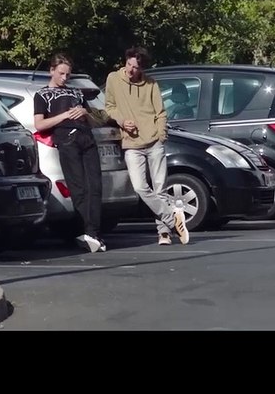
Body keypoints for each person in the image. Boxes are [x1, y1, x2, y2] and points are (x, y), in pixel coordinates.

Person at [103, 46, 188, 245]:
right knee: (141, 187)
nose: (131, 70)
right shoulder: (113, 79)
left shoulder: (150, 83)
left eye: (136, 68)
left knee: (160, 189)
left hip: (154, 141)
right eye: (129, 65)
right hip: (131, 143)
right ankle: (172, 217)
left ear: (142, 68)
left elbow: (160, 112)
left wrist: (161, 135)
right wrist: (122, 121)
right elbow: (109, 107)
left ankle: (164, 233)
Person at [33, 52, 106, 253]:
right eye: (61, 74)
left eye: (67, 75)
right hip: (66, 139)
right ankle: (89, 231)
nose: (64, 78)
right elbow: (40, 124)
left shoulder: (76, 92)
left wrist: (85, 112)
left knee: (95, 185)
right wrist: (64, 115)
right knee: (78, 187)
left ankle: (94, 232)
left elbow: (98, 118)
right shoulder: (42, 95)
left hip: (86, 137)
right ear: (52, 71)